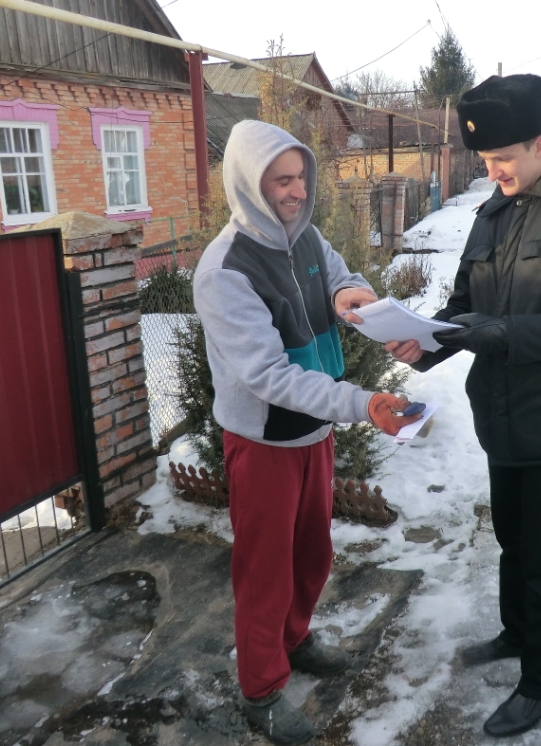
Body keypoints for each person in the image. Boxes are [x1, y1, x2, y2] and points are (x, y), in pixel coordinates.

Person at [386, 74, 541, 737]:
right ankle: (515, 633)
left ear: (540, 143)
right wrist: (427, 344)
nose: (491, 171)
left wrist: (497, 334)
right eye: (484, 160)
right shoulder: (494, 210)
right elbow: (468, 303)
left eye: (502, 159)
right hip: (499, 405)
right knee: (509, 535)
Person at [193, 120, 419, 746]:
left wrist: (352, 293)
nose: (295, 192)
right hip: (263, 440)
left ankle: (295, 637)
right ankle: (261, 689)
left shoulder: (308, 238)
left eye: (300, 178)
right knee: (264, 569)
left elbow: (343, 273)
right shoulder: (224, 271)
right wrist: (363, 401)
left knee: (312, 551)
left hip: (313, 433)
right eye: (281, 181)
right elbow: (269, 375)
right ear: (249, 185)